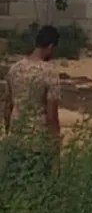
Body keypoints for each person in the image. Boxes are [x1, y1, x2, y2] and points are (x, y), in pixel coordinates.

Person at [2, 25, 62, 179]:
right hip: (38, 144)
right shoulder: (50, 73)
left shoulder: (14, 69)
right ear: (50, 46)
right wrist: (56, 150)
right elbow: (51, 117)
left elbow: (7, 106)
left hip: (16, 141)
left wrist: (10, 132)